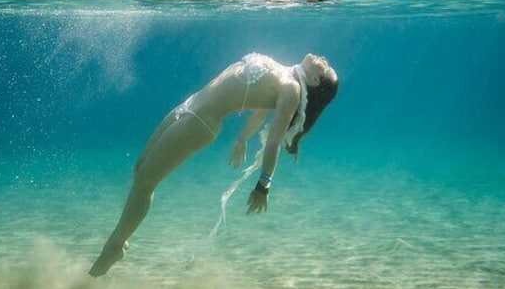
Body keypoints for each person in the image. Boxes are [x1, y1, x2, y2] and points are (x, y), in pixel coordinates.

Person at [89, 53, 339, 277]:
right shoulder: (285, 72)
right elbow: (262, 111)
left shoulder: (292, 89)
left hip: (201, 120)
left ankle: (114, 246)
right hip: (192, 104)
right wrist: (242, 138)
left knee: (146, 181)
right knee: (140, 169)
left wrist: (264, 185)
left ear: (315, 81)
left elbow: (274, 141)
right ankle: (119, 241)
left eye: (326, 68)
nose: (324, 60)